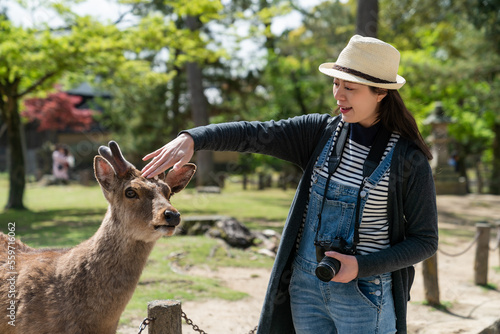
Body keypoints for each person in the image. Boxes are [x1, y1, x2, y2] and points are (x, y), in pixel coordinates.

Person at [141, 35, 438, 334]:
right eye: (336, 83)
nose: (339, 95)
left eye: (350, 88)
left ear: (381, 93)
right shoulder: (319, 133)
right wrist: (194, 138)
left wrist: (360, 267)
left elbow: (425, 241)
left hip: (366, 294)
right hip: (305, 288)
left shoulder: (408, 160)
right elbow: (253, 134)